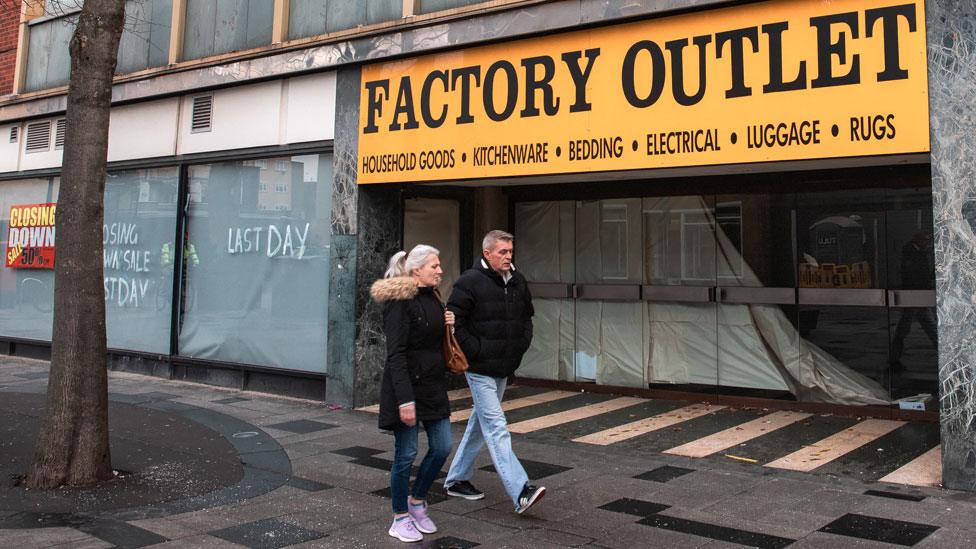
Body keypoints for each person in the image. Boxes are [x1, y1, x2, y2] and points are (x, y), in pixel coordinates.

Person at [443, 230, 545, 514]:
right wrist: (476, 351)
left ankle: (457, 479)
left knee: (481, 423)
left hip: (504, 365)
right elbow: (454, 322)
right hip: (478, 369)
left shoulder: (517, 280)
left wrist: (520, 346)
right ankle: (521, 490)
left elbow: (527, 317)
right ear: (487, 253)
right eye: (502, 252)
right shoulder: (469, 281)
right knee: (496, 426)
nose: (508, 256)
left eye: (510, 251)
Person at [371, 245, 455, 543]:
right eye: (434, 265)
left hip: (432, 387)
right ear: (416, 270)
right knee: (405, 455)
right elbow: (396, 354)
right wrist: (405, 400)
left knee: (443, 445)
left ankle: (417, 501)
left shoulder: (433, 296)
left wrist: (448, 327)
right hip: (405, 389)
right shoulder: (399, 301)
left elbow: (433, 341)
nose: (440, 270)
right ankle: (399, 517)